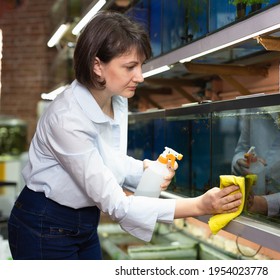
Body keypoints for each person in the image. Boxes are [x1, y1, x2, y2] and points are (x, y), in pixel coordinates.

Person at [7, 11, 242, 260]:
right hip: (44, 224)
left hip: (84, 222)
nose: (139, 76)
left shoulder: (115, 98)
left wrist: (144, 170)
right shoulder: (67, 118)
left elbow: (104, 158)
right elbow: (117, 204)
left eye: (140, 65)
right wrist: (199, 206)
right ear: (97, 66)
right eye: (130, 67)